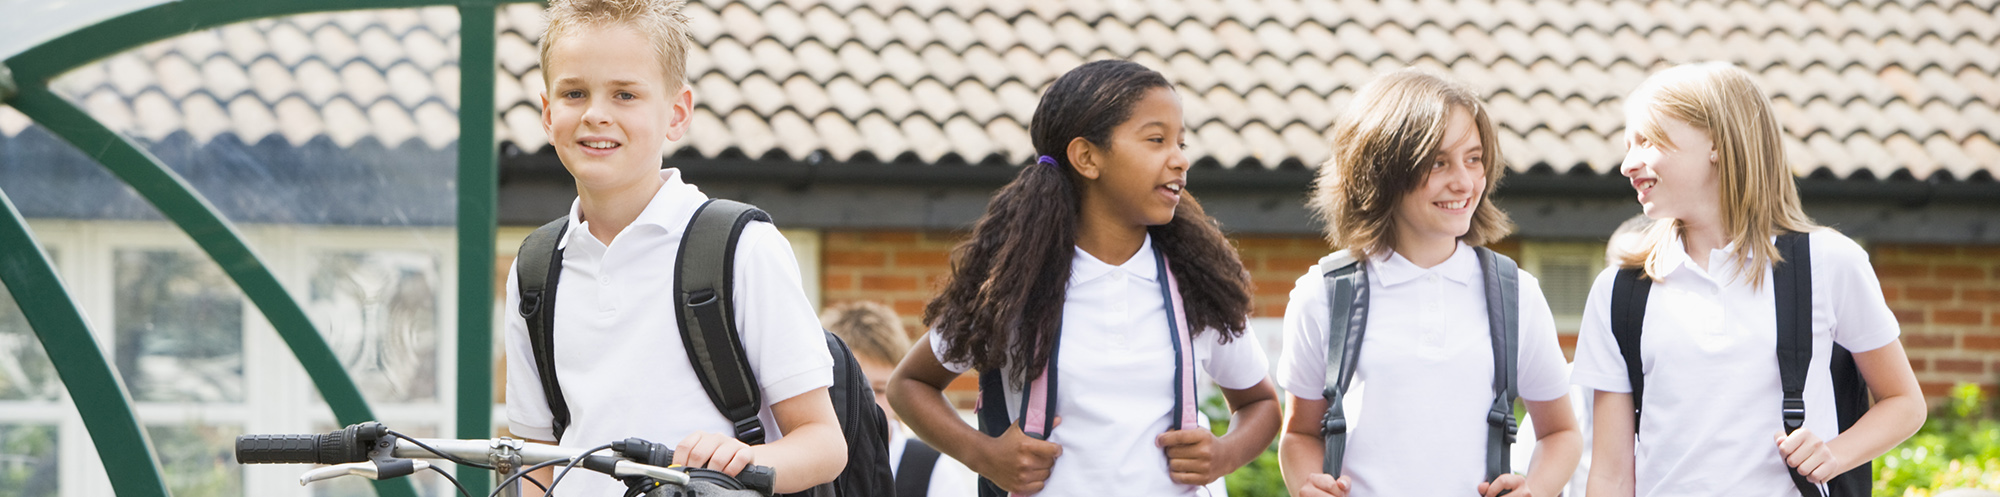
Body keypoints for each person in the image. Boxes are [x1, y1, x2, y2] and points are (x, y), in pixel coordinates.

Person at [886, 59, 1282, 496]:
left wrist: (1224, 455)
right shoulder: (1015, 285)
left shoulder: (1197, 285)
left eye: (1181, 142)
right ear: (1087, 157)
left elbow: (1259, 403)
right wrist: (985, 456)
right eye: (1156, 140)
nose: (1180, 158)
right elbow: (910, 385)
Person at [500, 1, 846, 494]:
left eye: (625, 94)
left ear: (677, 114)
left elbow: (824, 444)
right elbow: (537, 460)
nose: (596, 114)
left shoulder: (743, 249)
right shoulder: (534, 268)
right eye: (575, 92)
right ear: (548, 111)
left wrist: (744, 459)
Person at [1571, 62, 1925, 496]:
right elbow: (1610, 474)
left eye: (1646, 140)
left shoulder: (1829, 263)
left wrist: (1835, 453)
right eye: (1628, 145)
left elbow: (1905, 403)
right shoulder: (1619, 291)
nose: (1628, 163)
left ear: (1717, 142)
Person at [1273, 68, 1582, 497]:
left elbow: (1561, 432)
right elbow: (1301, 434)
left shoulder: (1515, 294)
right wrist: (1311, 486)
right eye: (1438, 162)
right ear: (1382, 169)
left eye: (1473, 159)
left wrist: (1535, 489)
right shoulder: (1325, 294)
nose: (1464, 181)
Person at [822, 301, 978, 497]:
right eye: (855, 392)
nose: (869, 405)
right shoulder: (807, 466)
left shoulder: (932, 470)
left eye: (879, 390)